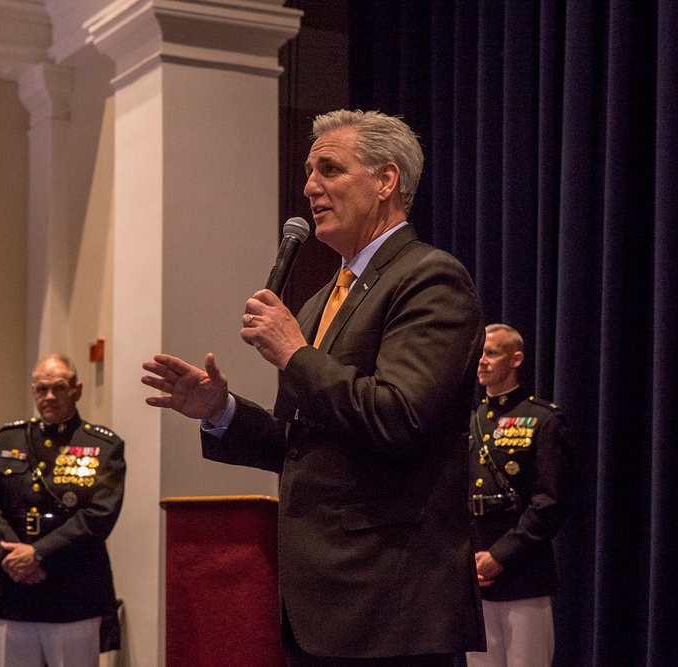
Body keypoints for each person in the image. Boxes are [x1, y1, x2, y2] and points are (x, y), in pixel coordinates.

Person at [142, 109, 486, 665]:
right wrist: (222, 410)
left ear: (386, 180)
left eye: (329, 169)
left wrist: (296, 354)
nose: (309, 188)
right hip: (320, 604)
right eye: (308, 172)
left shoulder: (430, 278)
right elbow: (300, 445)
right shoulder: (322, 298)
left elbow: (398, 416)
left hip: (391, 602)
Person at [0, 353, 125, 667]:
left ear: (77, 390)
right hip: (13, 595)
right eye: (41, 389)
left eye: (58, 388)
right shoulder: (8, 440)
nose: (49, 397)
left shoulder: (103, 447)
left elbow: (99, 515)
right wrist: (12, 559)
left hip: (73, 596)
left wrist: (39, 554)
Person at [466, 324, 569, 667]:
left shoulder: (543, 419)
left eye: (491, 353)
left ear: (516, 358)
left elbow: (550, 502)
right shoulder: (470, 422)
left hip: (524, 575)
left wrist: (500, 555)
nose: (481, 361)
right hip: (476, 576)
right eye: (480, 352)